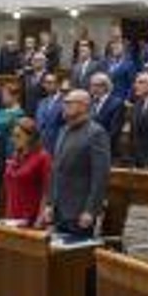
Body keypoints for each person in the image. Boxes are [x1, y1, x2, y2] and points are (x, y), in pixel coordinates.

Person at [44, 90, 111, 237]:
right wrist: (49, 203)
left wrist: (90, 210)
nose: (64, 106)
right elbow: (55, 170)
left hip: (80, 213)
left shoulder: (96, 133)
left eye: (68, 103)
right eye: (64, 102)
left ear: (83, 106)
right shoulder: (63, 130)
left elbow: (100, 176)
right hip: (58, 210)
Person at [4, 118, 51, 225]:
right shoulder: (15, 155)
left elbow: (47, 190)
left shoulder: (42, 157)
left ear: (30, 137)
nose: (13, 140)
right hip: (11, 215)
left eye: (18, 136)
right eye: (13, 136)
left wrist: (40, 216)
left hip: (30, 217)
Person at [88, 72, 125, 159]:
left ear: (105, 86)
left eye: (96, 85)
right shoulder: (90, 102)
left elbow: (114, 130)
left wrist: (99, 145)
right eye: (91, 85)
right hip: (88, 148)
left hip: (105, 149)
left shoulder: (116, 103)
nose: (93, 88)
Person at [35, 73, 65, 155]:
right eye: (46, 83)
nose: (48, 85)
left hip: (57, 144)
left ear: (58, 84)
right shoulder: (41, 102)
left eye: (50, 82)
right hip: (41, 144)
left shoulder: (64, 101)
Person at [0, 83, 26, 154]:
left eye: (5, 95)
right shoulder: (0, 111)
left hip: (10, 149)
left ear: (15, 97)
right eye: (2, 96)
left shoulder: (20, 114)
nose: (3, 98)